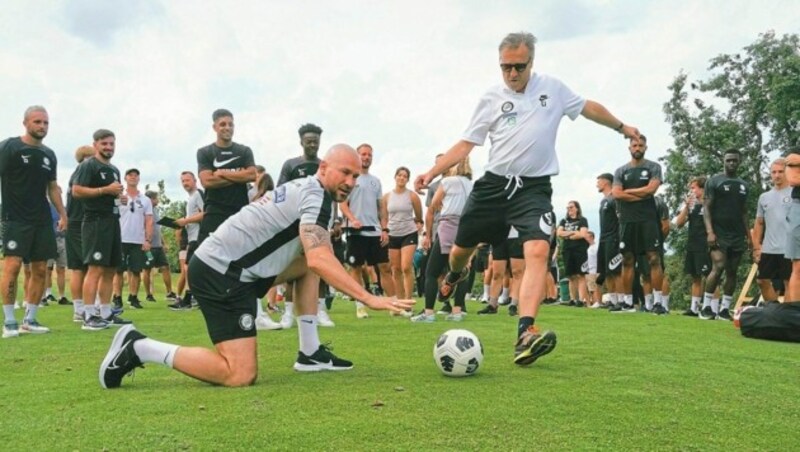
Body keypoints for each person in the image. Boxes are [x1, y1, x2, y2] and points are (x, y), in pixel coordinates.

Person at [99, 144, 415, 389]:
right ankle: (139, 348)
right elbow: (319, 257)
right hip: (219, 271)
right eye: (345, 172)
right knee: (239, 374)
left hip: (236, 268)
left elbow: (314, 257)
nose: (350, 182)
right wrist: (369, 297)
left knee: (309, 260)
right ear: (323, 167)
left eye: (355, 176)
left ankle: (310, 351)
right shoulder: (316, 195)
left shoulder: (310, 189)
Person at [414, 31, 639, 365]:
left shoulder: (553, 88)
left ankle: (526, 331)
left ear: (531, 62)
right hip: (493, 187)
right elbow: (466, 143)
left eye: (519, 66)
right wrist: (432, 172)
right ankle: (453, 275)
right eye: (506, 67)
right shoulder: (491, 97)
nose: (512, 74)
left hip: (533, 189)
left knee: (538, 250)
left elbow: (588, 107)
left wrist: (623, 128)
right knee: (461, 252)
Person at [1, 106, 66, 338]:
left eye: (46, 123)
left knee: (40, 269)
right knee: (13, 266)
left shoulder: (49, 154)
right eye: (38, 122)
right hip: (15, 218)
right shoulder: (9, 147)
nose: (42, 126)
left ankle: (30, 319)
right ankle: (9, 322)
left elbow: (52, 188)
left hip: (41, 220)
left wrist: (63, 214)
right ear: (26, 123)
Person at [72, 129, 132, 329]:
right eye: (104, 143)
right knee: (95, 268)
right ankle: (89, 315)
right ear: (95, 144)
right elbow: (76, 191)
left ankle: (105, 312)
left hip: (112, 221)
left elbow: (112, 194)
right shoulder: (89, 165)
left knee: (110, 269)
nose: (108, 147)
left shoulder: (114, 169)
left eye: (111, 144)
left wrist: (119, 198)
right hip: (95, 222)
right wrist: (104, 190)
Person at [276, 123, 334, 327]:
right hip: (293, 224)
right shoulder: (290, 165)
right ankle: (288, 313)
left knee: (319, 267)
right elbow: (280, 193)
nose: (312, 145)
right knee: (293, 267)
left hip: (318, 223)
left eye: (316, 141)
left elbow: (331, 195)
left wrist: (334, 221)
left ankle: (320, 310)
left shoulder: (325, 166)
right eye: (309, 141)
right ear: (301, 142)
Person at [413, 158, 473, 323]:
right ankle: (457, 311)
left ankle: (429, 312)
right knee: (459, 270)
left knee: (431, 272)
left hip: (448, 226)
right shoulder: (471, 184)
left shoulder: (447, 181)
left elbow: (434, 204)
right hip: (465, 227)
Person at [339, 143, 393, 319]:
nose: (366, 157)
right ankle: (360, 306)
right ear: (357, 156)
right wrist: (352, 219)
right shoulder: (349, 179)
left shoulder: (375, 181)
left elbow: (381, 208)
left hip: (375, 231)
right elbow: (342, 204)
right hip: (356, 232)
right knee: (356, 267)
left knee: (384, 267)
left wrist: (385, 228)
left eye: (369, 154)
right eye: (363, 154)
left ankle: (394, 305)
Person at [610, 135, 662, 313]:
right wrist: (641, 193)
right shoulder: (620, 171)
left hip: (648, 219)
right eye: (634, 145)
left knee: (653, 259)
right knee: (627, 259)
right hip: (627, 220)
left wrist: (629, 192)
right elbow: (616, 194)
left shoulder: (654, 167)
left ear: (646, 148)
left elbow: (651, 190)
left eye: (641, 145)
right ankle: (627, 302)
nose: (637, 148)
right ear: (629, 148)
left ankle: (658, 303)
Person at [701, 149, 752, 321]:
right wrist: (710, 232)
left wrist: (749, 237)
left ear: (739, 162)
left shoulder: (744, 185)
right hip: (718, 233)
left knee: (732, 271)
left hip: (737, 235)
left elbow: (744, 212)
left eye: (734, 161)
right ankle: (706, 307)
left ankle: (724, 310)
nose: (731, 163)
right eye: (728, 160)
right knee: (719, 266)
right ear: (724, 161)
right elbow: (706, 207)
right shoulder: (714, 181)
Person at [196, 108, 256, 244]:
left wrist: (223, 173)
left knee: (240, 256)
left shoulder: (244, 151)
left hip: (239, 212)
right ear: (215, 127)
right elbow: (207, 181)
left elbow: (252, 175)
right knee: (207, 257)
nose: (227, 128)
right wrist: (239, 176)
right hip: (214, 212)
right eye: (223, 124)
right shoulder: (205, 152)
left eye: (231, 124)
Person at [112, 168, 153, 309]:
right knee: (118, 271)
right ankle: (117, 297)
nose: (133, 177)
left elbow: (148, 221)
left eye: (136, 175)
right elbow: (113, 214)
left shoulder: (145, 200)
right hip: (121, 238)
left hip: (137, 239)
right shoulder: (119, 197)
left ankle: (133, 296)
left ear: (139, 179)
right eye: (130, 175)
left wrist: (147, 240)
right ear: (125, 178)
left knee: (136, 270)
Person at [752, 158, 792, 304]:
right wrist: (756, 247)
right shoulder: (764, 197)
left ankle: (787, 317)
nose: (777, 175)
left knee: (789, 283)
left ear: (786, 172)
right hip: (769, 248)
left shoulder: (796, 194)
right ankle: (775, 310)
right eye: (774, 172)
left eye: (780, 171)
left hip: (790, 248)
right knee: (762, 280)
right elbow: (759, 223)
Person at [66, 145, 97, 322]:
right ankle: (84, 308)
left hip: (75, 222)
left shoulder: (76, 174)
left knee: (81, 267)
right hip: (81, 223)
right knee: (84, 267)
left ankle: (82, 308)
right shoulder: (84, 172)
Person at [383, 166, 423, 305]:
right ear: (395, 177)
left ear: (407, 179)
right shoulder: (387, 197)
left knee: (406, 266)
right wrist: (384, 231)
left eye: (405, 176)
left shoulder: (412, 196)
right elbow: (384, 217)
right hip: (393, 233)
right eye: (399, 175)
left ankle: (408, 300)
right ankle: (400, 301)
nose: (401, 178)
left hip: (409, 232)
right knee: (395, 268)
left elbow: (419, 215)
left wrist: (419, 224)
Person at [674, 176, 713, 316]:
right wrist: (686, 206)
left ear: (702, 188)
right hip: (692, 244)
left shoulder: (711, 203)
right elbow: (678, 224)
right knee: (695, 277)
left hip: (706, 245)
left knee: (710, 276)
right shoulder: (691, 205)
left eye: (693, 188)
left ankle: (712, 308)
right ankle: (694, 308)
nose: (691, 191)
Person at [170, 171, 204, 310]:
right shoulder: (190, 198)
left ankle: (190, 298)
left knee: (188, 268)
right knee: (189, 268)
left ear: (195, 180)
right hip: (191, 237)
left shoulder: (198, 195)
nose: (185, 183)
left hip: (198, 237)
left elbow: (205, 213)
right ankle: (193, 297)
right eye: (183, 181)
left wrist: (186, 220)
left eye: (187, 180)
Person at [142, 190, 175, 302]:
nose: (158, 200)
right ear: (150, 199)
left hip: (158, 246)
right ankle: (148, 294)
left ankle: (170, 292)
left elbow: (157, 229)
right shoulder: (143, 211)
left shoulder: (155, 211)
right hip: (148, 246)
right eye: (156, 198)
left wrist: (163, 243)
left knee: (165, 267)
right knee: (147, 269)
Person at [596, 173, 623, 309]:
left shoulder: (614, 199)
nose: (597, 184)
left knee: (616, 270)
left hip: (614, 239)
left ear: (606, 182)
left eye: (599, 181)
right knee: (607, 272)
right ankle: (612, 300)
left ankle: (621, 300)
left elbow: (620, 219)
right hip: (603, 239)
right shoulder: (603, 201)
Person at [556, 201, 590, 306]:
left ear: (577, 208)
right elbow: (559, 233)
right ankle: (573, 298)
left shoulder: (582, 220)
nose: (569, 209)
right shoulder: (564, 221)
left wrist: (568, 235)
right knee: (570, 276)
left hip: (580, 250)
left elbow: (583, 234)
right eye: (567, 208)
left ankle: (581, 299)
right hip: (567, 250)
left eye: (571, 207)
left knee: (581, 275)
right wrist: (572, 233)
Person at [783, 147, 800, 301]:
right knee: (798, 267)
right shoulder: (795, 152)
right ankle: (797, 315)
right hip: (798, 209)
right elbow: (794, 180)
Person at [585, 231, 601, 307]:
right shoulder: (588, 248)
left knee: (595, 287)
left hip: (596, 269)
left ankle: (597, 302)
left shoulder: (596, 246)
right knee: (591, 288)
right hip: (590, 270)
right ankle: (594, 302)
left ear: (591, 237)